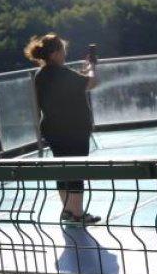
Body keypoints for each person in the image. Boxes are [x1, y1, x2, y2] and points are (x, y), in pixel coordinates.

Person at [25, 33, 100, 225]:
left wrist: (83, 74)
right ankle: (77, 214)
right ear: (56, 52)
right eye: (63, 50)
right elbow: (91, 83)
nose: (65, 53)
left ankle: (67, 210)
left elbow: (71, 88)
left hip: (52, 128)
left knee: (62, 168)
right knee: (76, 169)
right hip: (73, 129)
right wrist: (91, 68)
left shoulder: (41, 75)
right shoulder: (62, 73)